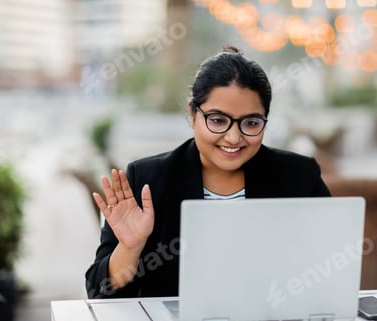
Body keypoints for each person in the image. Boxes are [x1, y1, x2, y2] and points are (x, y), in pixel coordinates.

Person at [85, 46, 331, 299]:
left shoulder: (299, 175)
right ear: (193, 114)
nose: (234, 137)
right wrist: (131, 247)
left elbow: (332, 265)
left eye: (251, 123)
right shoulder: (147, 179)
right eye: (217, 120)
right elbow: (98, 292)